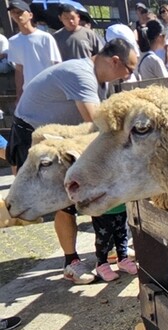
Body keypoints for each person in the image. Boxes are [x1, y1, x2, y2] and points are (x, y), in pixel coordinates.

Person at [9, 38, 138, 284]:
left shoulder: (99, 81)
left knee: (81, 188)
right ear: (115, 61)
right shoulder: (81, 75)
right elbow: (98, 126)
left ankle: (109, 249)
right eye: (129, 69)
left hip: (63, 140)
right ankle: (71, 262)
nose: (128, 76)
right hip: (36, 138)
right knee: (64, 199)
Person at [7, 0, 62, 102]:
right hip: (29, 90)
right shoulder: (13, 41)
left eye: (20, 12)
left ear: (30, 15)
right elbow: (19, 69)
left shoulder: (46, 37)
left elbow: (57, 64)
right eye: (13, 12)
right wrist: (19, 94)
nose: (17, 15)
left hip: (48, 88)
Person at [92, 204, 137, 281]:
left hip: (121, 206)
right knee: (103, 239)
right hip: (101, 209)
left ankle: (123, 258)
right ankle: (101, 263)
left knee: (122, 234)